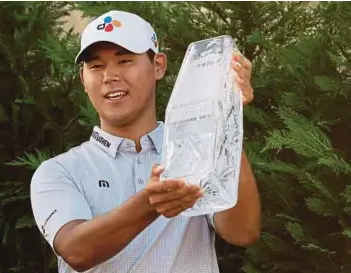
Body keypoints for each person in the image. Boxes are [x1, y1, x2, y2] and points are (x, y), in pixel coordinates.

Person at [30, 10, 261, 273]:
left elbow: (243, 232)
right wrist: (150, 204)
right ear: (83, 79)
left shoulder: (197, 149)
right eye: (96, 66)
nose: (109, 76)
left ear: (158, 65)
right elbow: (76, 251)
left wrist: (228, 115)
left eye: (125, 60)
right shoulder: (58, 171)